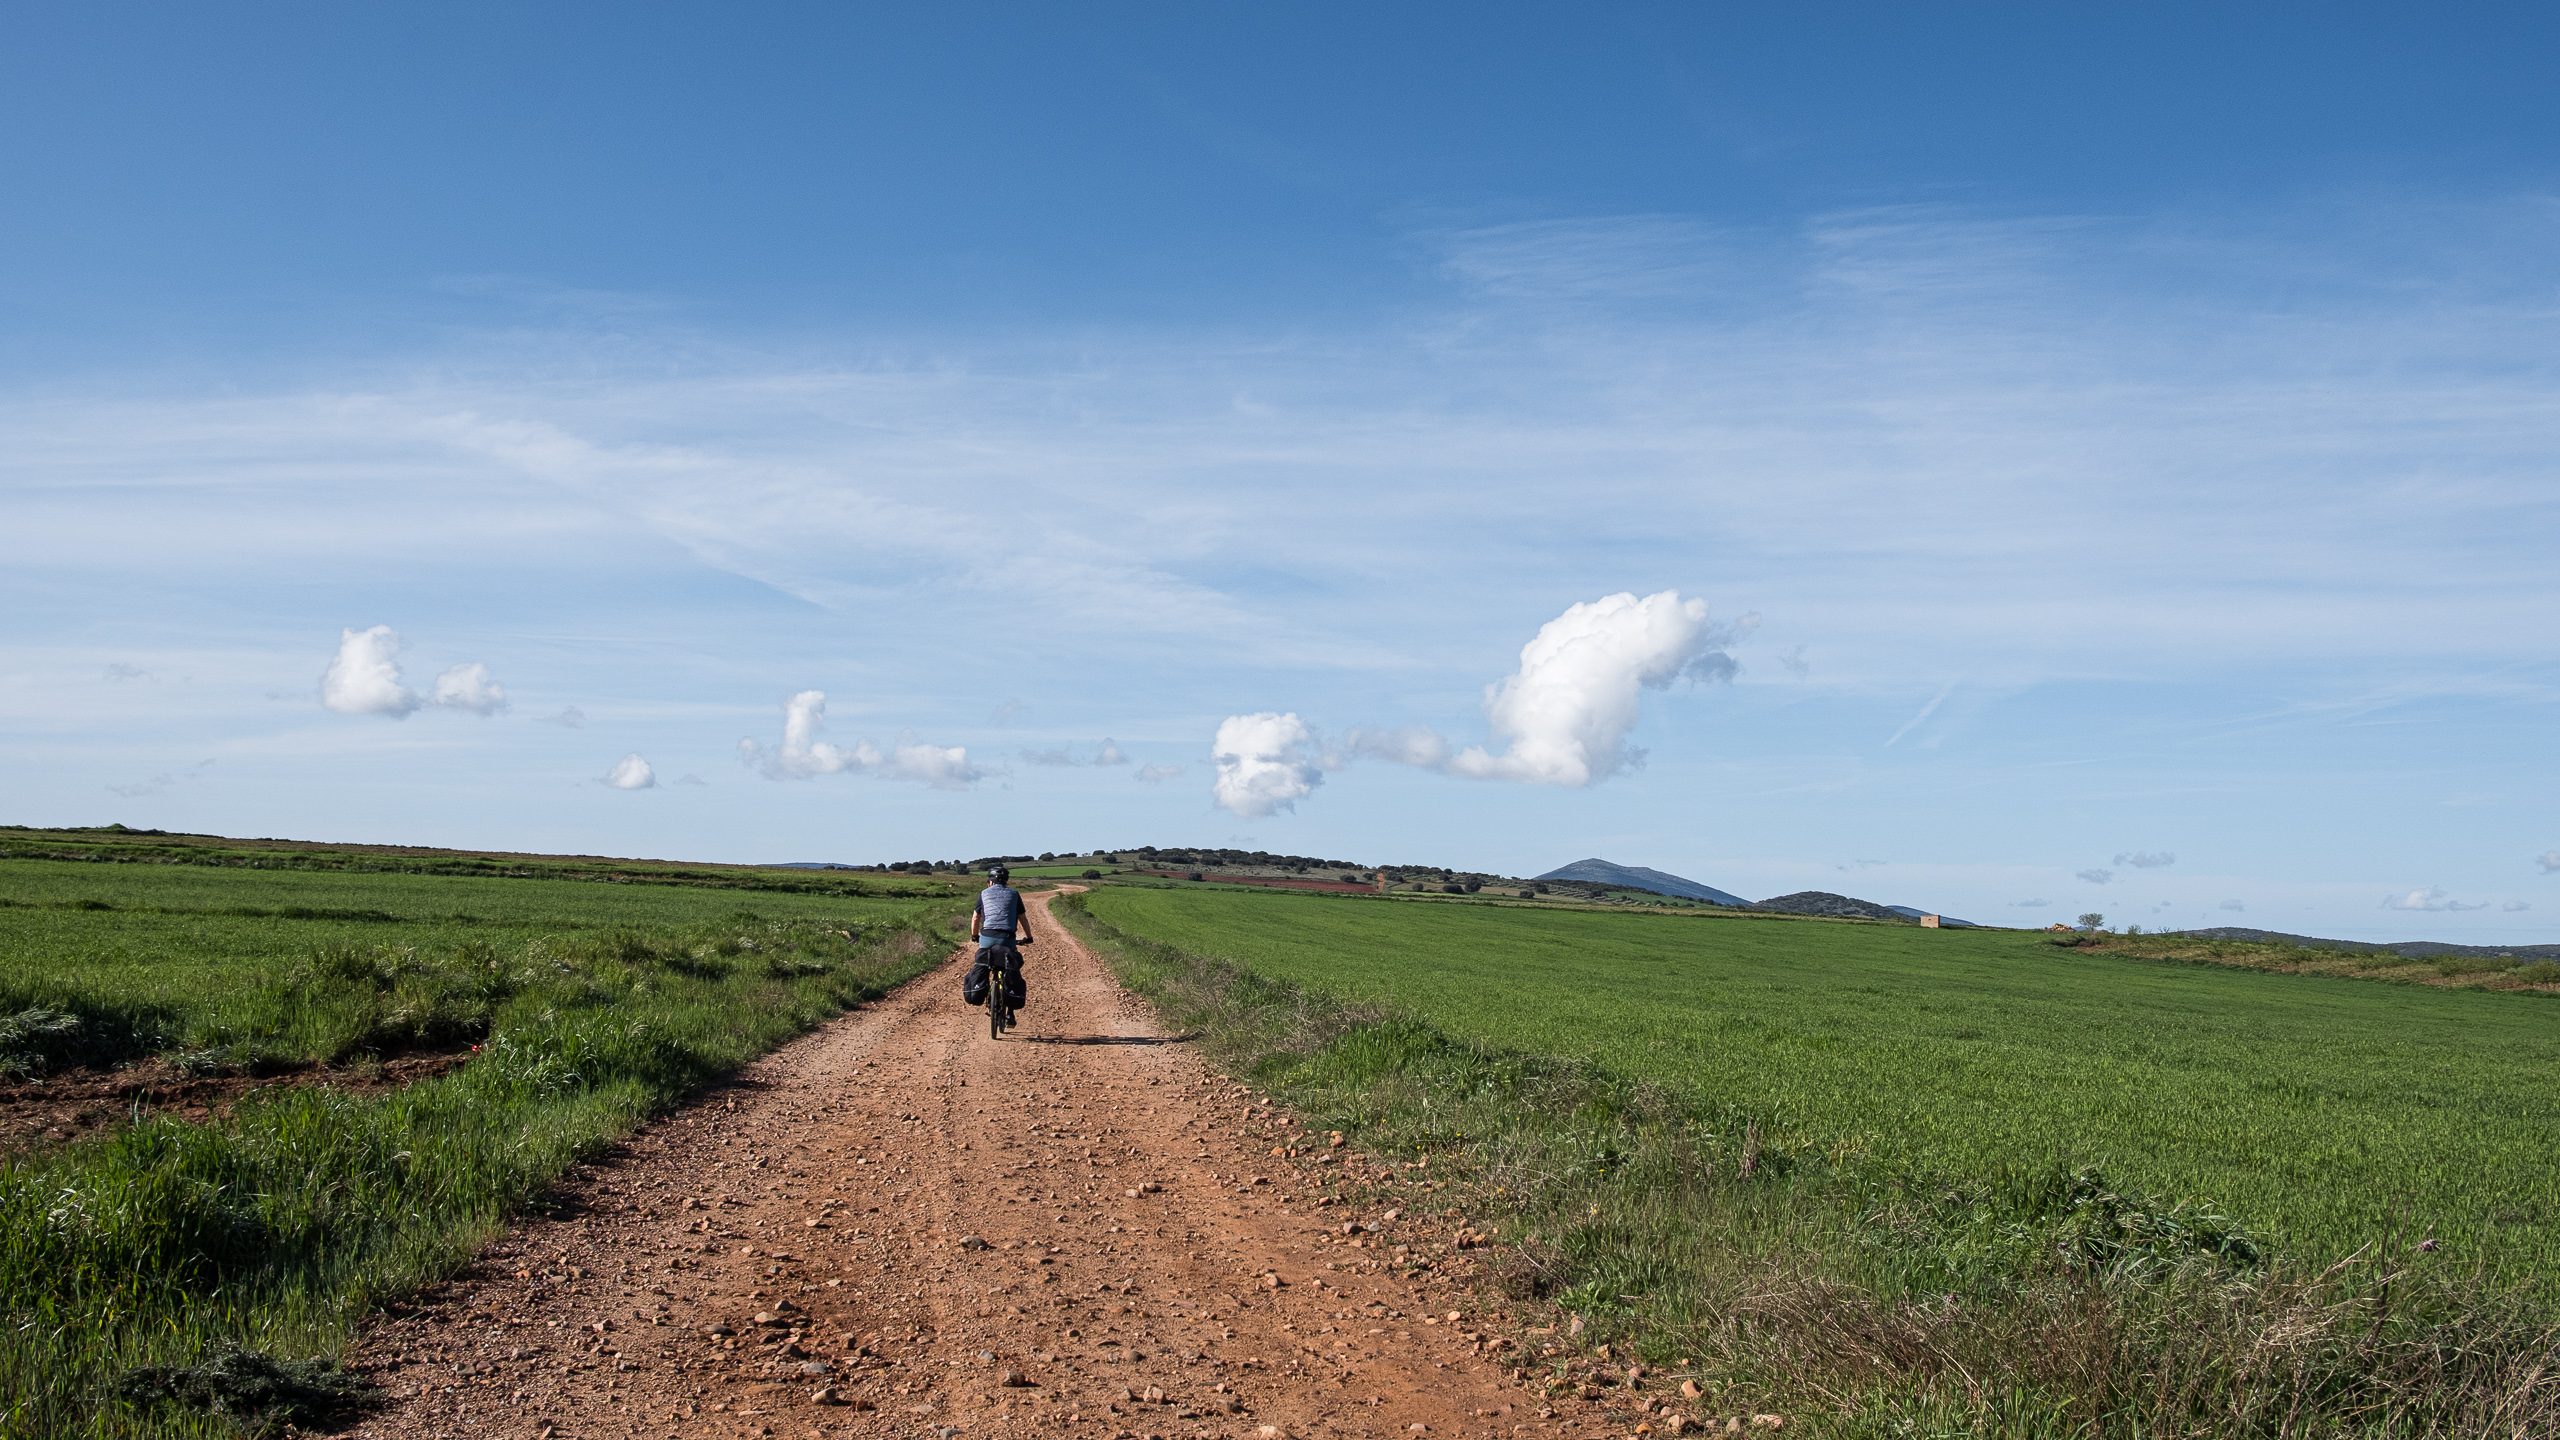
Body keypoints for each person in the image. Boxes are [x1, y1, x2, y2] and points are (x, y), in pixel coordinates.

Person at [965, 864, 1033, 1015]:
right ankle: (1010, 1013)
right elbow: (1022, 918)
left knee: (984, 963)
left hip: (987, 937)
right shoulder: (1014, 894)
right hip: (1007, 939)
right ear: (1006, 881)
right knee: (1010, 968)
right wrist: (1029, 937)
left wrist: (975, 936)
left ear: (990, 881)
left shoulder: (983, 893)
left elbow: (976, 917)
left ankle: (984, 989)